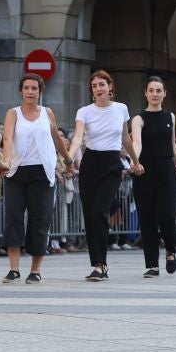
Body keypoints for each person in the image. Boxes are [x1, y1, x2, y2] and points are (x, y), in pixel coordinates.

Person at [66, 69, 138, 281]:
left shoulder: (121, 109)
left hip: (111, 164)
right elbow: (78, 136)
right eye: (95, 86)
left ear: (110, 87)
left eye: (102, 84)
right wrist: (70, 156)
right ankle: (97, 265)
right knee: (89, 214)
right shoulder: (84, 111)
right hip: (90, 163)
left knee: (99, 211)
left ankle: (101, 263)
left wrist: (135, 160)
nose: (98, 89)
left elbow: (125, 138)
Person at [0, 73, 69, 284]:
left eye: (34, 88)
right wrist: (6, 160)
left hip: (42, 172)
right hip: (17, 171)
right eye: (27, 88)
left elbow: (56, 136)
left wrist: (67, 158)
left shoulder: (47, 113)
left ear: (40, 92)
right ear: (21, 91)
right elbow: (8, 137)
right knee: (14, 217)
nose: (30, 92)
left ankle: (35, 269)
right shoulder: (13, 113)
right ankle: (13, 268)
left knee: (40, 219)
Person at [130, 76, 176, 276]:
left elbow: (171, 144)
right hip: (144, 170)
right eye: (151, 90)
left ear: (164, 93)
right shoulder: (138, 119)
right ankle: (152, 264)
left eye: (158, 90)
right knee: (147, 218)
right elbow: (137, 143)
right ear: (145, 93)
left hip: (166, 168)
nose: (154, 94)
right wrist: (135, 161)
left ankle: (170, 250)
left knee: (168, 215)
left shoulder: (169, 116)